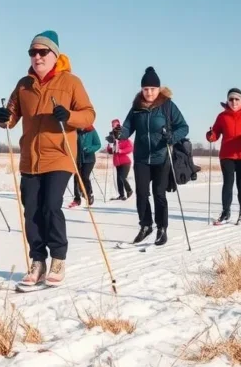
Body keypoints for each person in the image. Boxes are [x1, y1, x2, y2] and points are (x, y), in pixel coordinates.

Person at [0, 30, 95, 289]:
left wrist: (68, 115)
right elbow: (12, 117)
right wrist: (2, 117)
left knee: (50, 206)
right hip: (30, 158)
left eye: (42, 52)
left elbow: (89, 115)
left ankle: (58, 258)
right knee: (31, 211)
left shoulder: (71, 82)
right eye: (32, 52)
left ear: (55, 55)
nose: (37, 57)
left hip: (60, 155)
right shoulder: (23, 85)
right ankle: (38, 261)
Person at [115, 66, 189, 245]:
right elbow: (127, 128)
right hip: (141, 157)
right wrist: (118, 133)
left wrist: (172, 137)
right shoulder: (136, 108)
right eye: (146, 89)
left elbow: (183, 127)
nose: (149, 92)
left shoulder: (167, 105)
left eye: (152, 89)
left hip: (162, 156)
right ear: (142, 89)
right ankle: (146, 225)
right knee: (141, 193)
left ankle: (162, 228)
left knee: (159, 193)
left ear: (159, 89)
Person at [205, 87, 241, 225]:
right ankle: (226, 212)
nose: (234, 102)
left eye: (236, 99)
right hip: (227, 155)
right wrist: (211, 136)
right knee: (227, 184)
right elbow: (215, 133)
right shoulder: (222, 116)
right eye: (231, 99)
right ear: (227, 101)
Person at [69, 124, 101, 208]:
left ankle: (89, 194)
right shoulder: (76, 131)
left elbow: (98, 144)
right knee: (76, 177)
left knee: (85, 176)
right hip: (78, 158)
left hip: (89, 159)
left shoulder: (92, 131)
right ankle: (77, 199)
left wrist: (89, 149)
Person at [105, 119, 134, 200]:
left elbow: (130, 148)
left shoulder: (124, 137)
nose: (113, 126)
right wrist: (109, 146)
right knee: (118, 179)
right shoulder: (113, 138)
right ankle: (122, 195)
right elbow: (111, 152)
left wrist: (121, 151)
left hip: (125, 161)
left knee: (122, 177)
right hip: (117, 162)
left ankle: (129, 190)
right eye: (112, 125)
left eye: (114, 125)